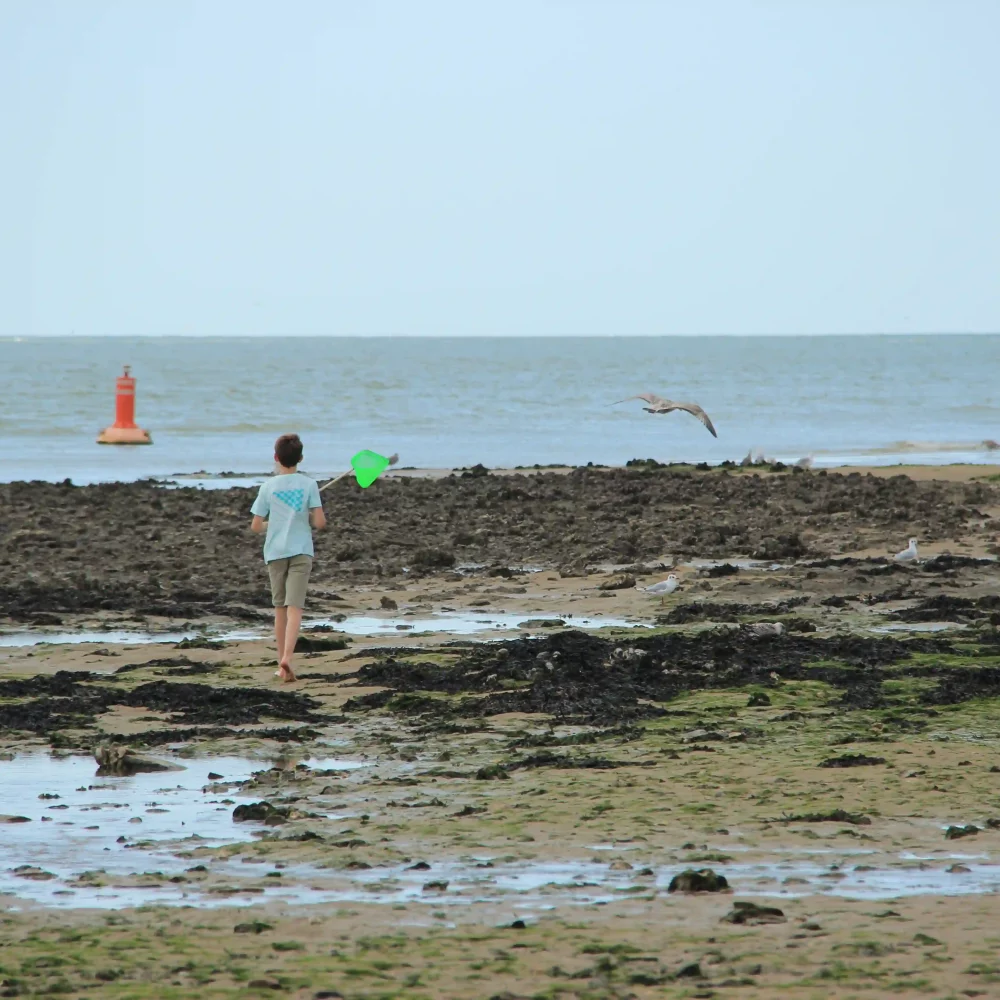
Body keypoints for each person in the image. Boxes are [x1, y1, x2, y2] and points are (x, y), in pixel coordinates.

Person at [250, 433, 326, 681]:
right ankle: (287, 659)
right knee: (295, 608)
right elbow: (320, 523)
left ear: (276, 457)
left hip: (275, 552)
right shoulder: (309, 485)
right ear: (300, 458)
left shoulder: (267, 487)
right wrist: (308, 515)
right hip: (301, 550)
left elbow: (256, 526)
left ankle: (280, 663)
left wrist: (272, 523)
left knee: (280, 609)